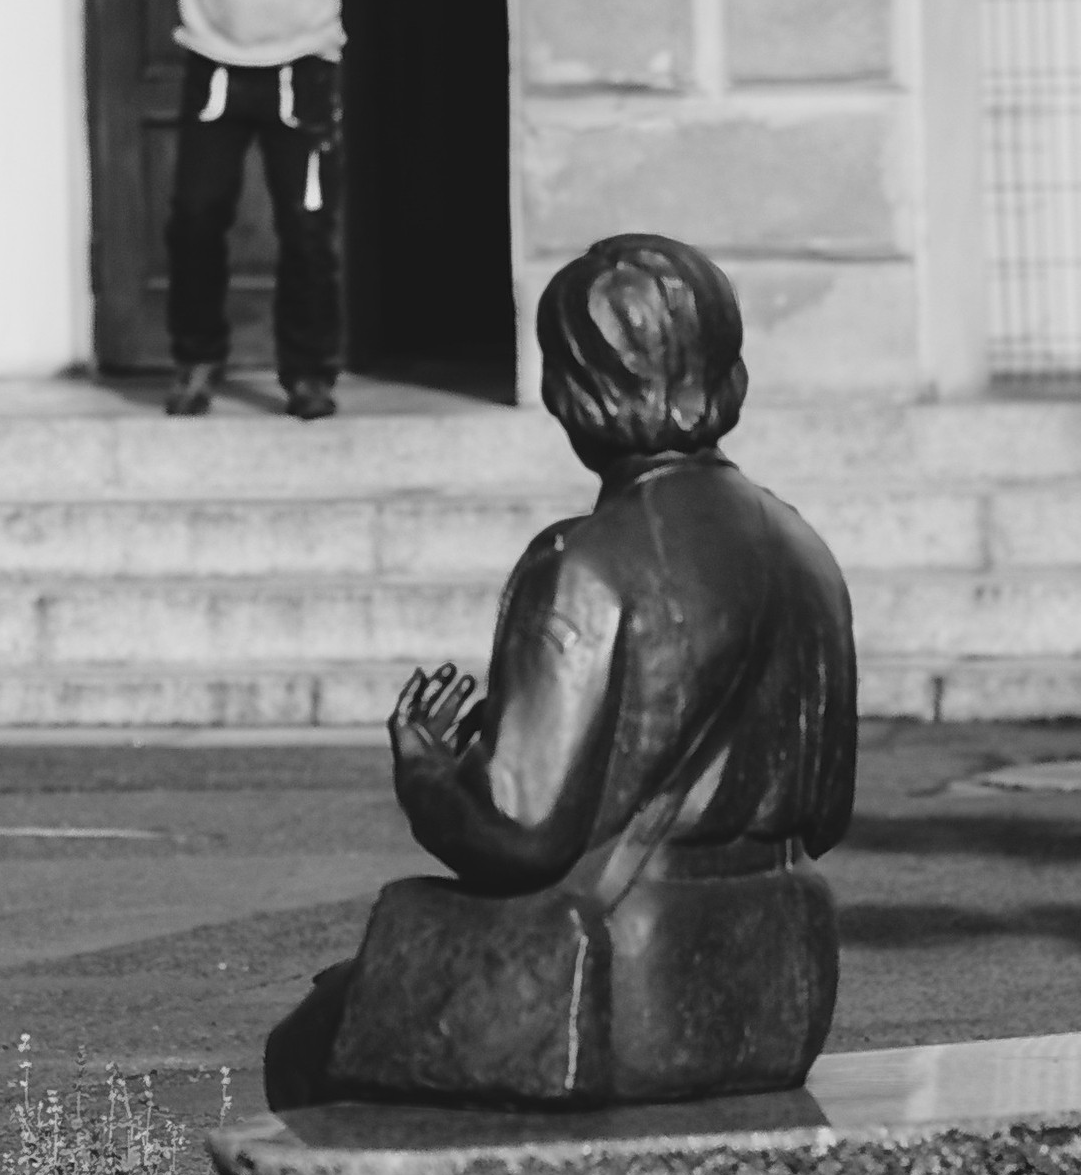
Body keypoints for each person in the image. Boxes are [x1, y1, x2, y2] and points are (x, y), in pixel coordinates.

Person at [262, 234, 858, 1110]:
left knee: (310, 1044)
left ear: (570, 392)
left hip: (625, 988)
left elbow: (516, 831)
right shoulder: (806, 551)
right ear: (728, 374)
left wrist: (428, 772)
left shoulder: (582, 565)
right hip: (778, 980)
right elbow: (828, 811)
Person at [125, 0, 391, 419]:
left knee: (307, 226)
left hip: (303, 65)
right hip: (216, 64)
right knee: (195, 217)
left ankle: (308, 374)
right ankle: (196, 361)